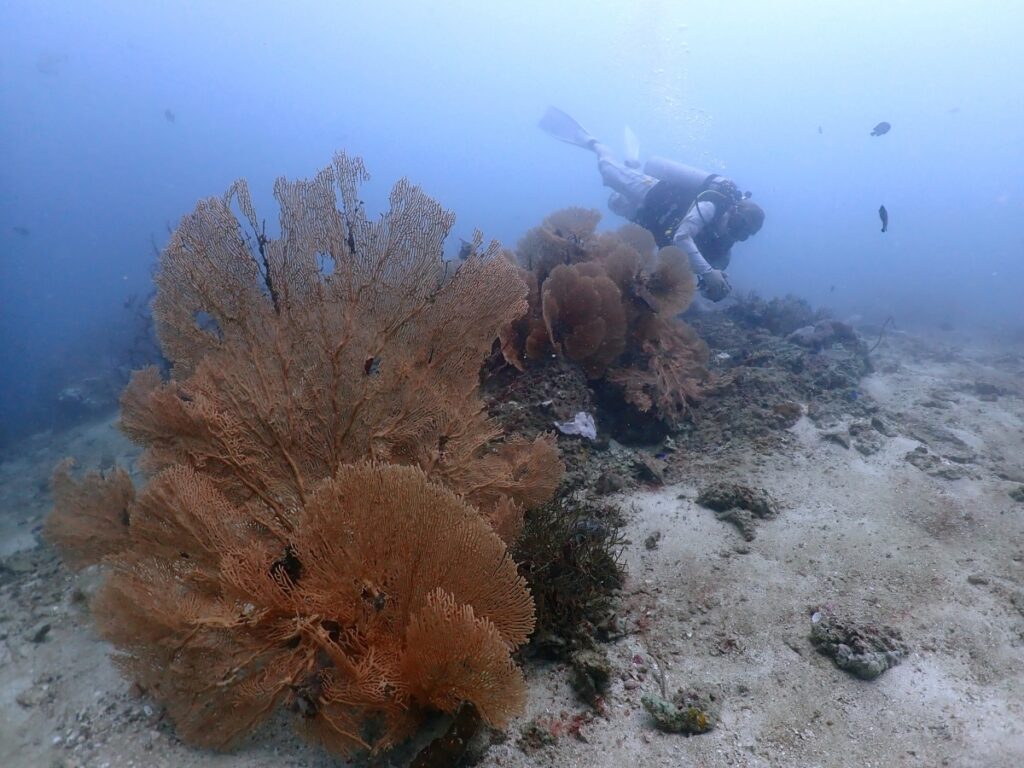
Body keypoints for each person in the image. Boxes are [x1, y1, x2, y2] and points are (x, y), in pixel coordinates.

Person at [539, 107, 765, 302]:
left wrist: (712, 286)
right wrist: (707, 272)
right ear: (733, 211)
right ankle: (596, 144)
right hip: (653, 194)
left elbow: (696, 272)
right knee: (608, 172)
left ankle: (632, 164)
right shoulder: (711, 205)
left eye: (743, 234)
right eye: (737, 224)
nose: (735, 234)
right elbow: (681, 236)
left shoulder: (722, 252)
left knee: (614, 203)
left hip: (649, 218)